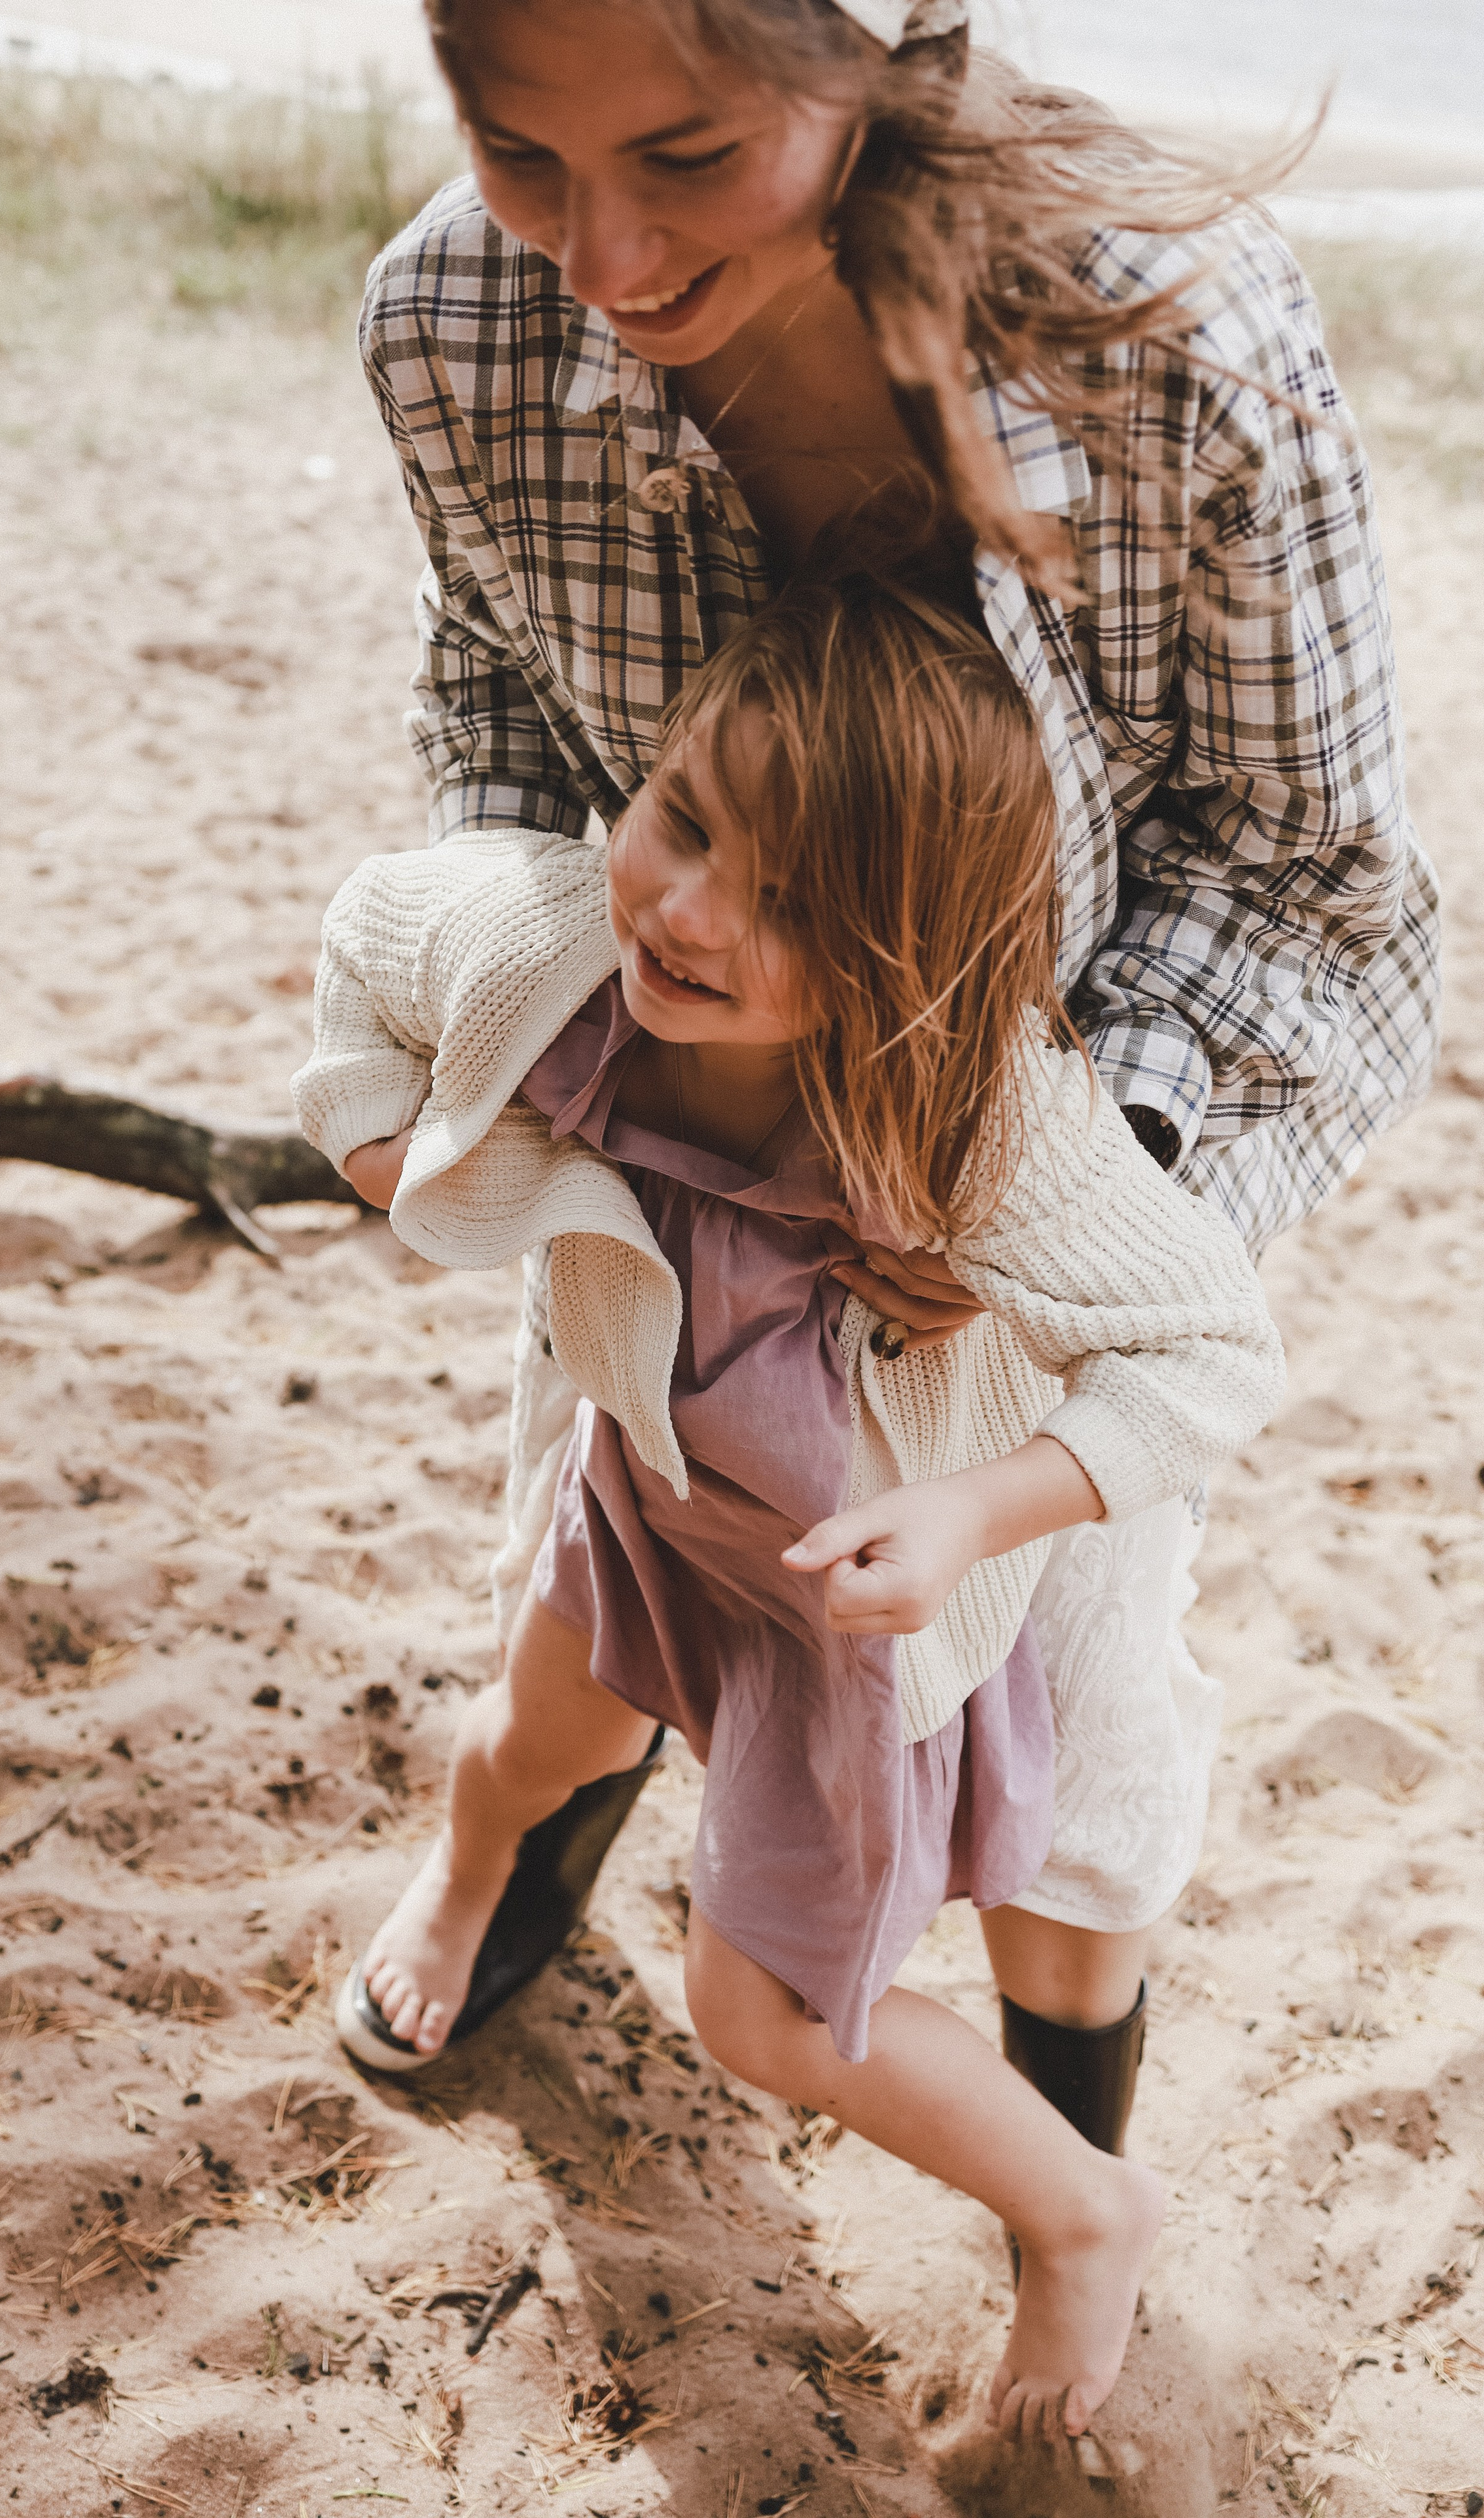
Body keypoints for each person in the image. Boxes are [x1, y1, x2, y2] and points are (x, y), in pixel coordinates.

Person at [338, 0, 1438, 2168]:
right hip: (667, 1134)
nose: (606, 259)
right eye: (518, 150)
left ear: (881, 55)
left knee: (1073, 1695)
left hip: (1081, 1138)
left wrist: (1030, 1188)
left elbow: (1309, 867)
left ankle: (1068, 2160)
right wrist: (518, 1037)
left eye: (686, 153)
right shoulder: (443, 322)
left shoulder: (1172, 332)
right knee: (600, 1572)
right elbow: (492, 709)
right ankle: (532, 1877)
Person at [291, 559, 1285, 2439]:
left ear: (905, 960)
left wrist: (986, 1511)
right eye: (679, 819)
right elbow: (366, 933)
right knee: (525, 1738)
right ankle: (464, 1884)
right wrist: (359, 1111)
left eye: (785, 902)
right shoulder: (551, 945)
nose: (684, 906)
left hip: (848, 1619)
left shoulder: (980, 1117)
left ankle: (1088, 2207)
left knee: (759, 2023)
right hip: (652, 1501)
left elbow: (1215, 1352)